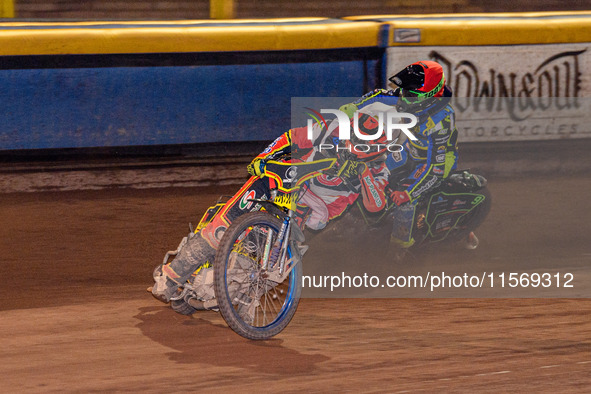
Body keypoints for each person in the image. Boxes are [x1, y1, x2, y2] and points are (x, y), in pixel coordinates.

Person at [151, 114, 390, 303]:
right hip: (284, 180)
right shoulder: (330, 128)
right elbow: (291, 136)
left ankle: (243, 295)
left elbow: (376, 205)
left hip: (311, 209)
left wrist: (363, 171)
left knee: (278, 258)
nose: (350, 148)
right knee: (222, 227)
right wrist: (263, 157)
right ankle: (171, 276)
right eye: (353, 140)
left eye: (362, 148)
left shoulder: (379, 170)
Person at [340, 60, 469, 249]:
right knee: (375, 167)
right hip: (410, 151)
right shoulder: (413, 99)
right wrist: (353, 107)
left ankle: (399, 248)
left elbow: (436, 169)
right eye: (404, 91)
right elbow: (379, 96)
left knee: (404, 202)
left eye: (409, 94)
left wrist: (408, 194)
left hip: (434, 163)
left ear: (429, 96)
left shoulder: (441, 123)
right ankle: (365, 214)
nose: (402, 97)